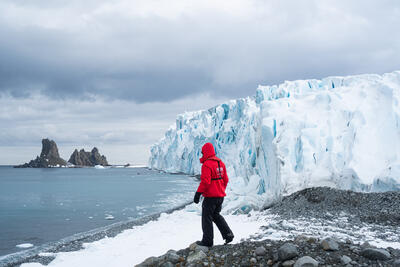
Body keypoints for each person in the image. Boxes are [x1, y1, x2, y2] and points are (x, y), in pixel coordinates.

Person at [193, 142, 234, 247]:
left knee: (206, 218)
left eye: (203, 153)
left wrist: (198, 193)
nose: (202, 155)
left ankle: (207, 241)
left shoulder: (207, 164)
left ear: (206, 152)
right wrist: (220, 190)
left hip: (210, 197)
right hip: (220, 196)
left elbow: (206, 182)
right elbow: (226, 179)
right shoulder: (221, 163)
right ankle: (228, 234)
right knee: (216, 215)